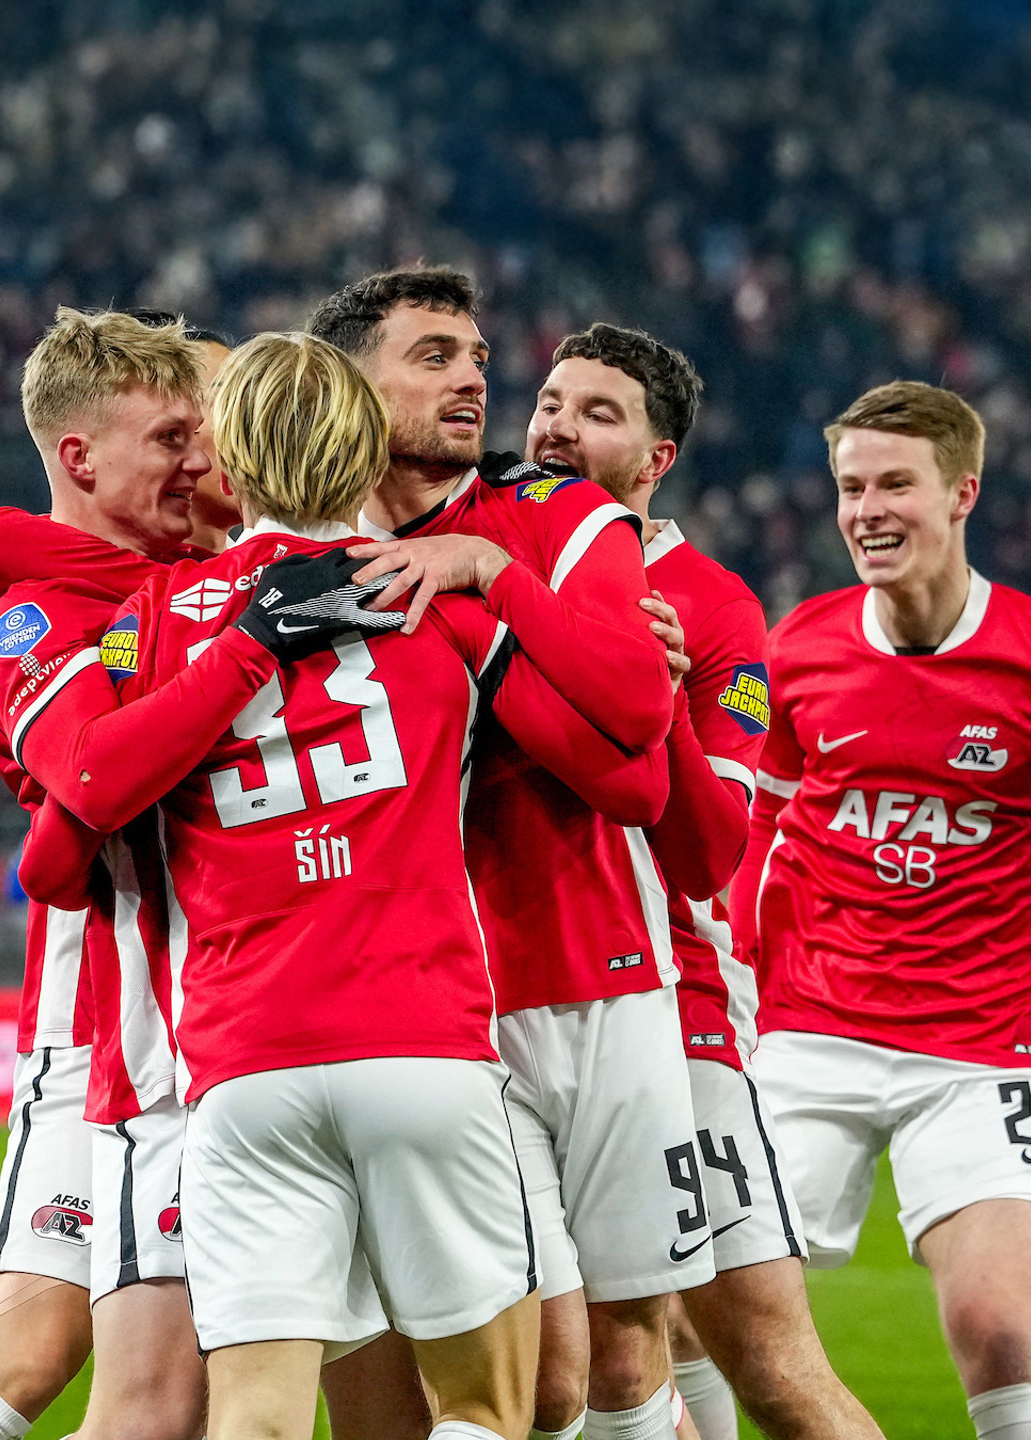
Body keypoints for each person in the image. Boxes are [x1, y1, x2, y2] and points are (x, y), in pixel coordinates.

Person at [14, 332, 671, 1440]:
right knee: (484, 1406)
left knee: (256, 1421)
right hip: (423, 1046)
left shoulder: (152, 623)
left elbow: (56, 850)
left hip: (243, 1064)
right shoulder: (434, 602)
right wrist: (514, 590)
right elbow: (630, 773)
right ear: (367, 453)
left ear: (228, 457)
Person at [732, 382, 1031, 1440]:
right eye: (850, 488)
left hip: (982, 1049)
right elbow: (757, 828)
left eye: (894, 485)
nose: (867, 510)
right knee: (701, 1318)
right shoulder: (798, 647)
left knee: (999, 1327)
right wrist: (732, 994)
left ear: (962, 494)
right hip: (806, 1037)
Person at [313, 270, 701, 1440]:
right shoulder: (307, 549)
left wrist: (483, 579)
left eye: (477, 356)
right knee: (535, 1379)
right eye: (433, 355)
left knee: (630, 1354)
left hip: (605, 979)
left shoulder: (559, 514)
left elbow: (637, 749)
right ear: (349, 383)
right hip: (435, 1009)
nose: (473, 378)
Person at [528, 325, 885, 1440]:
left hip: (671, 1012)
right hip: (502, 1006)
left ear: (657, 459)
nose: (557, 429)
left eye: (598, 414)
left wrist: (665, 701)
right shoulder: (482, 551)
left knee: (761, 1361)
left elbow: (713, 848)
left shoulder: (708, 603)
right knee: (567, 1369)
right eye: (550, 403)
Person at [0, 308, 218, 1440]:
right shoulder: (34, 619)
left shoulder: (191, 582)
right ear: (78, 457)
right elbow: (86, 789)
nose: (198, 461)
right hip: (99, 1028)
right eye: (170, 438)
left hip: (203, 1014)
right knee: (65, 1370)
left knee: (137, 1390)